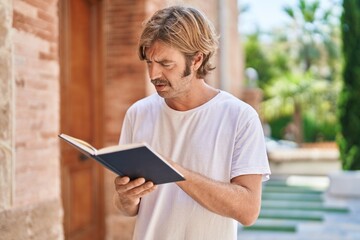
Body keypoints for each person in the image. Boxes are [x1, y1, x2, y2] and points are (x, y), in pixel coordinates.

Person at [113, 5, 271, 240]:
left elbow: (248, 211)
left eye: (166, 64)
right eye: (149, 62)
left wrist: (172, 170)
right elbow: (128, 207)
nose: (153, 74)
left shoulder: (240, 117)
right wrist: (126, 198)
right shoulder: (138, 114)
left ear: (196, 60)